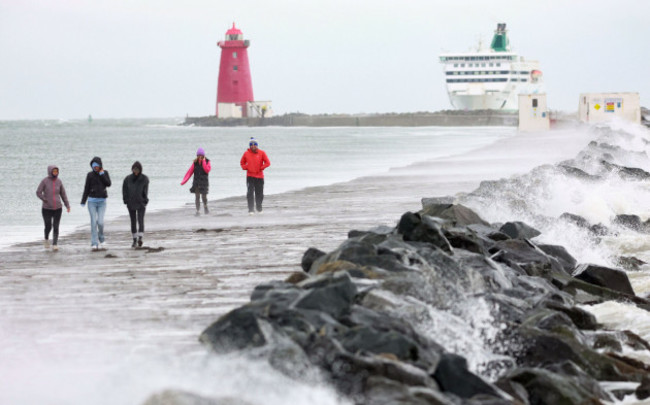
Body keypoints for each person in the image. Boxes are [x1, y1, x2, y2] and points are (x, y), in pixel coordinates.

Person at [36, 165, 71, 251]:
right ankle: (46, 239)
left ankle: (55, 244)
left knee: (56, 226)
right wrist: (44, 199)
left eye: (57, 171)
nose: (55, 173)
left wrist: (67, 205)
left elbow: (63, 194)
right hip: (46, 208)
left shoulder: (59, 181)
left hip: (58, 208)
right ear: (50, 171)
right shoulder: (44, 181)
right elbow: (38, 192)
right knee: (48, 226)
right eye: (54, 171)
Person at [81, 156, 112, 250]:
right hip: (92, 202)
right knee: (93, 222)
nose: (95, 167)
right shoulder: (89, 175)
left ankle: (101, 239)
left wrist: (102, 174)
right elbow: (86, 188)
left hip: (102, 202)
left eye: (97, 166)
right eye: (93, 166)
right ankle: (94, 242)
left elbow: (108, 184)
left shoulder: (105, 173)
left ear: (100, 165)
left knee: (101, 222)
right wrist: (83, 201)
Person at [240, 137, 270, 215]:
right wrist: (246, 167)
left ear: (257, 145)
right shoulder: (246, 153)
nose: (253, 146)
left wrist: (261, 168)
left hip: (259, 176)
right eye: (251, 145)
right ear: (250, 146)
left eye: (254, 145)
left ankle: (259, 208)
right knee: (250, 193)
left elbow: (267, 162)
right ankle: (251, 210)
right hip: (250, 176)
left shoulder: (262, 153)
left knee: (259, 193)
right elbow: (242, 163)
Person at [122, 161, 149, 248]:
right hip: (131, 203)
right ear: (132, 170)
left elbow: (145, 191)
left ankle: (140, 238)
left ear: (140, 170)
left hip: (141, 202)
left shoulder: (145, 179)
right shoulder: (127, 179)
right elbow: (124, 190)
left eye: (137, 169)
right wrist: (125, 200)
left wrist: (145, 200)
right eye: (134, 169)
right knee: (133, 221)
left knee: (140, 220)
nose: (136, 171)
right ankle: (134, 240)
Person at [181, 147, 211, 215]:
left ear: (203, 155)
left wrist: (203, 161)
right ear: (197, 156)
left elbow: (207, 170)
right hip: (196, 183)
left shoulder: (207, 161)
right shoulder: (195, 163)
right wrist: (184, 181)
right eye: (199, 155)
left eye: (201, 155)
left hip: (204, 183)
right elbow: (190, 172)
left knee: (204, 197)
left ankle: (205, 207)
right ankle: (198, 211)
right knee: (197, 197)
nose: (200, 156)